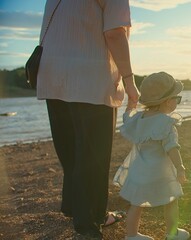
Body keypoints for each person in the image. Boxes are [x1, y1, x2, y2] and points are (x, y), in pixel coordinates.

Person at [36, 0, 140, 238]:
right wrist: (129, 81)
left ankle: (75, 208)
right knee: (93, 154)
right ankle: (91, 220)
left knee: (70, 150)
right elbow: (114, 33)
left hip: (52, 75)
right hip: (90, 77)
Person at [113, 72, 190, 240]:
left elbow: (127, 116)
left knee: (136, 204)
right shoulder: (167, 123)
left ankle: (132, 236)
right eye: (177, 99)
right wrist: (180, 168)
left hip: (138, 171)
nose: (177, 102)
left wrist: (131, 103)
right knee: (171, 201)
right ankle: (172, 233)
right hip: (160, 173)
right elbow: (172, 148)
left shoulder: (138, 119)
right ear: (168, 102)